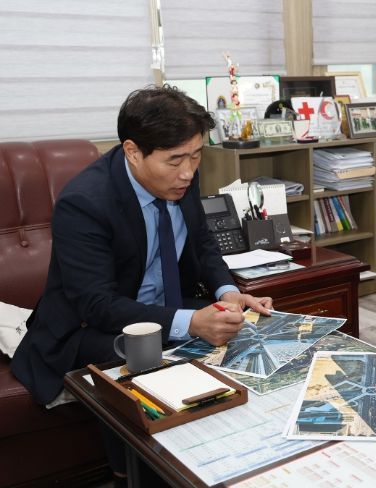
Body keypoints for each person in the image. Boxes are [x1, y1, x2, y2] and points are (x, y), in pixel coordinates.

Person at [11, 85, 273, 479]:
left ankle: (244, 454)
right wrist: (191, 322)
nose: (188, 172)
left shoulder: (179, 175)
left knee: (248, 337)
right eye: (176, 160)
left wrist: (229, 292)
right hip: (90, 326)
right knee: (144, 361)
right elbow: (97, 305)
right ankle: (141, 473)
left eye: (196, 155)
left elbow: (202, 243)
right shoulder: (84, 202)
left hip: (164, 305)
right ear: (133, 152)